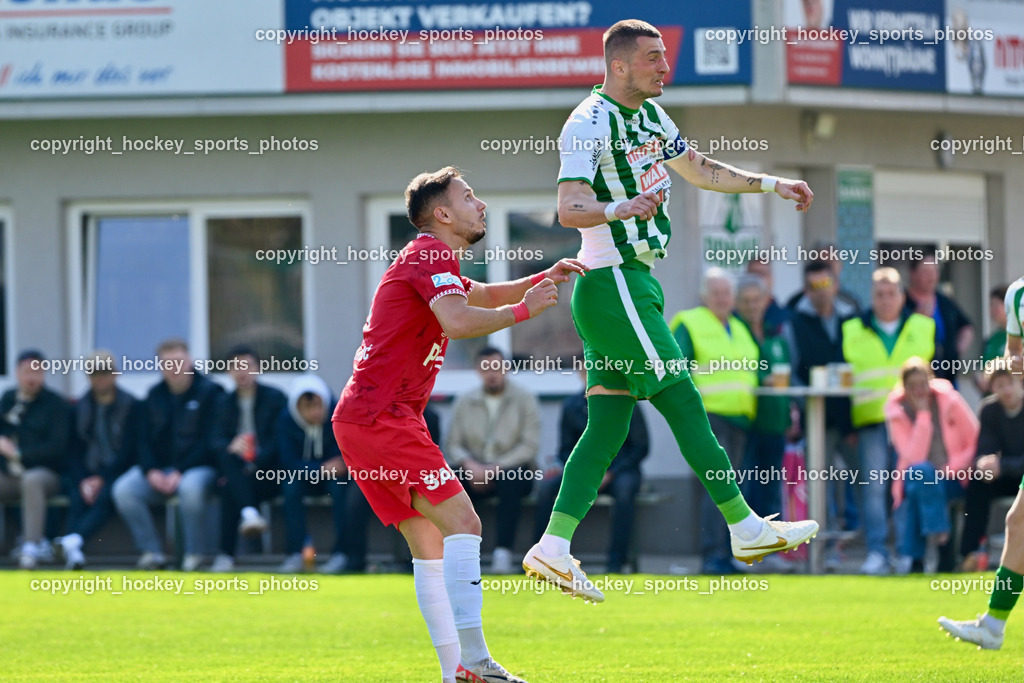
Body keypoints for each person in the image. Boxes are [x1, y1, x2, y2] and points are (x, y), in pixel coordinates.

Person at [523, 18, 818, 603]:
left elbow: (701, 170)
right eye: (653, 57)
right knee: (681, 397)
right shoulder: (587, 121)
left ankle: (552, 546)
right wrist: (621, 207)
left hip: (630, 285)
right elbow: (569, 208)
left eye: (664, 55)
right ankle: (744, 527)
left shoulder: (654, 117)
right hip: (613, 283)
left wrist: (771, 184)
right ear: (619, 65)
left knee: (607, 426)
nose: (665, 66)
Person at [333, 166, 586, 682]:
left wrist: (542, 278)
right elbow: (459, 320)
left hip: (366, 417)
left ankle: (457, 673)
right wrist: (525, 312)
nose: (481, 204)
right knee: (465, 525)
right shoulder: (430, 254)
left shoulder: (428, 258)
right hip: (382, 416)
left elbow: (481, 296)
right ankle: (474, 661)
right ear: (443, 213)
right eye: (470, 196)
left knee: (430, 547)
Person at [939, 274, 1024, 650]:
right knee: (1018, 522)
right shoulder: (1017, 295)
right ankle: (992, 625)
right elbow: (1013, 354)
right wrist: (1017, 363)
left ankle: (992, 625)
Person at [842, 268, 935, 575]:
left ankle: (909, 552)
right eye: (879, 294)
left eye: (891, 293)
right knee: (873, 488)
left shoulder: (923, 326)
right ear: (871, 296)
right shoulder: (852, 328)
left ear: (901, 296)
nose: (885, 300)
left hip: (910, 420)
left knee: (909, 484)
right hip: (871, 420)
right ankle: (877, 552)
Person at [669, 269, 760, 575]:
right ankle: (713, 556)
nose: (722, 298)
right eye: (716, 293)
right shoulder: (690, 321)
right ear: (704, 296)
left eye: (726, 293)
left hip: (740, 420)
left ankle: (728, 554)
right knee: (716, 489)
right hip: (708, 418)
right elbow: (677, 368)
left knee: (732, 490)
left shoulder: (739, 328)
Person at [112, 339, 224, 571]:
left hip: (199, 468)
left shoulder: (211, 393)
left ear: (189, 361)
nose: (174, 368)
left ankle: (194, 554)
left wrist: (180, 471)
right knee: (124, 490)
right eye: (167, 363)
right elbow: (142, 441)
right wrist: (150, 470)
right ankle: (152, 553)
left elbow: (211, 442)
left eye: (178, 362)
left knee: (190, 489)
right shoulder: (153, 396)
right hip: (160, 471)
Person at [533, 369, 649, 574]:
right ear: (580, 373)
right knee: (547, 489)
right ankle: (544, 556)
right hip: (584, 472)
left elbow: (640, 447)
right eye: (586, 370)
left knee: (625, 491)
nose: (591, 375)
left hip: (619, 471)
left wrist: (610, 472)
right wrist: (587, 473)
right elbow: (565, 450)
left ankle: (616, 562)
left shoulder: (628, 400)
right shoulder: (571, 406)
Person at [786, 259, 858, 567]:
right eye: (814, 286)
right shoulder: (794, 321)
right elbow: (791, 372)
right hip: (817, 420)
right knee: (820, 487)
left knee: (871, 482)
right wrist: (806, 406)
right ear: (806, 289)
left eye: (825, 284)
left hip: (854, 419)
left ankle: (878, 550)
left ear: (835, 284)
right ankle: (826, 552)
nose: (820, 291)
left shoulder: (853, 317)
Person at [445, 347, 541, 574]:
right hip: (474, 469)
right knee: (450, 481)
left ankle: (502, 553)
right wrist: (470, 465)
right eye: (486, 368)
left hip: (511, 471)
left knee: (511, 479)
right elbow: (453, 443)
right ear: (478, 370)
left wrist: (495, 468)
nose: (492, 373)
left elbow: (529, 445)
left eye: (497, 367)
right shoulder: (464, 400)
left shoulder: (524, 398)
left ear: (506, 368)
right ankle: (459, 554)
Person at [885, 358, 978, 574]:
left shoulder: (950, 400)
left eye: (922, 384)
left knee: (920, 489)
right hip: (919, 476)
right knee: (922, 474)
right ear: (904, 387)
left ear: (930, 381)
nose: (919, 391)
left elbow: (975, 441)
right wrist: (923, 415)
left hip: (954, 477)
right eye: (912, 386)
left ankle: (915, 560)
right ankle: (942, 539)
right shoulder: (897, 410)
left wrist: (950, 469)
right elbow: (913, 457)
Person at [209, 346, 287, 573]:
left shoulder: (275, 398)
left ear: (258, 368)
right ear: (228, 371)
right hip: (237, 470)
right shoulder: (222, 402)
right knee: (228, 462)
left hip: (268, 473)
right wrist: (232, 446)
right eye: (236, 367)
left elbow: (280, 441)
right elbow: (214, 440)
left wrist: (256, 460)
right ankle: (249, 514)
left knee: (231, 487)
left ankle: (226, 553)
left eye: (247, 366)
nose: (242, 372)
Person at [60, 351, 138, 570]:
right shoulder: (79, 408)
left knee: (107, 495)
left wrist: (102, 478)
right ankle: (73, 551)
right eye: (95, 374)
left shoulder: (131, 405)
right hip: (87, 471)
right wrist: (84, 479)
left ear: (115, 374)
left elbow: (129, 451)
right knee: (77, 496)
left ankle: (71, 541)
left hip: (119, 471)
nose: (100, 379)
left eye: (104, 373)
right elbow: (73, 450)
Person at [0, 349, 72, 569]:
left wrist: (19, 454)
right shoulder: (8, 400)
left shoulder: (56, 404)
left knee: (32, 480)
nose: (31, 377)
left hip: (47, 475)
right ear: (17, 373)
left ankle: (32, 546)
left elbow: (57, 449)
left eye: (37, 372)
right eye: (27, 372)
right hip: (10, 474)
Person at [276, 373, 352, 574]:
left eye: (318, 405)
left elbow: (343, 459)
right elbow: (287, 461)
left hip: (333, 478)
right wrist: (319, 469)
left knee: (340, 487)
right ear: (297, 408)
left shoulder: (338, 416)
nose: (315, 412)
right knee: (290, 486)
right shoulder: (286, 420)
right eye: (308, 407)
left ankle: (341, 553)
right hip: (304, 477)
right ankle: (295, 552)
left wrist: (330, 469)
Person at [734, 273, 793, 528]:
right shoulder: (734, 334)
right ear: (737, 303)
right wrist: (760, 380)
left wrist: (790, 416)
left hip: (775, 425)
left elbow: (788, 378)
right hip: (746, 423)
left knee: (771, 490)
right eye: (746, 301)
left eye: (756, 300)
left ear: (766, 301)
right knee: (745, 490)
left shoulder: (776, 335)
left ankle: (773, 544)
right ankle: (745, 543)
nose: (752, 306)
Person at [958, 365, 1024, 571]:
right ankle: (970, 553)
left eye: (1010, 383)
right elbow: (984, 448)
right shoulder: (989, 410)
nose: (1006, 390)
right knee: (978, 481)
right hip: (1004, 476)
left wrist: (1001, 465)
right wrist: (984, 464)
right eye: (1000, 385)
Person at [904, 249, 973, 385]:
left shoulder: (944, 301)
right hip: (916, 380)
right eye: (926, 272)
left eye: (934, 271)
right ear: (913, 274)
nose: (931, 277)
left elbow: (966, 326)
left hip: (949, 378)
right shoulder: (902, 303)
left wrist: (956, 349)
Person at [975, 284, 1008, 395]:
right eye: (991, 305)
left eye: (996, 305)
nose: (992, 310)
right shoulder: (991, 340)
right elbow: (979, 368)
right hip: (991, 399)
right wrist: (978, 378)